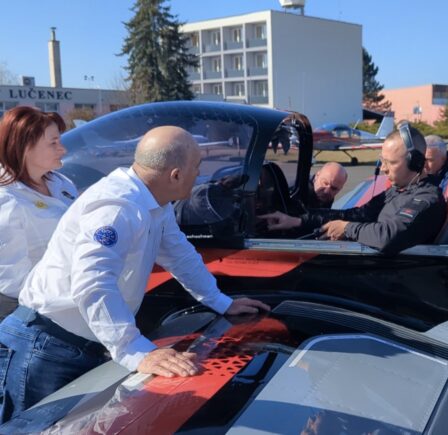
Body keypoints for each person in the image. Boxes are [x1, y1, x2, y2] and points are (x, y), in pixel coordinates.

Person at [0, 126, 270, 422]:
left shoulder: (153, 201)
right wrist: (136, 350)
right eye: (196, 167)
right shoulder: (117, 209)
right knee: (29, 429)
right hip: (47, 346)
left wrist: (221, 302)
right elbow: (93, 283)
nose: (199, 175)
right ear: (176, 175)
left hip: (77, 342)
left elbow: (180, 255)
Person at [259, 122, 446, 255]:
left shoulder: (426, 199)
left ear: (415, 163)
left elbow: (388, 235)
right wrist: (298, 221)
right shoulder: (398, 190)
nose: (383, 169)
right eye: (382, 161)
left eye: (390, 163)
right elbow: (356, 215)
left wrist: (347, 229)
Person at [0, 107, 76, 319]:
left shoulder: (61, 183)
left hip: (69, 296)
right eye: (53, 143)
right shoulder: (5, 199)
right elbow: (11, 280)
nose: (63, 150)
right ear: (24, 147)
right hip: (36, 314)